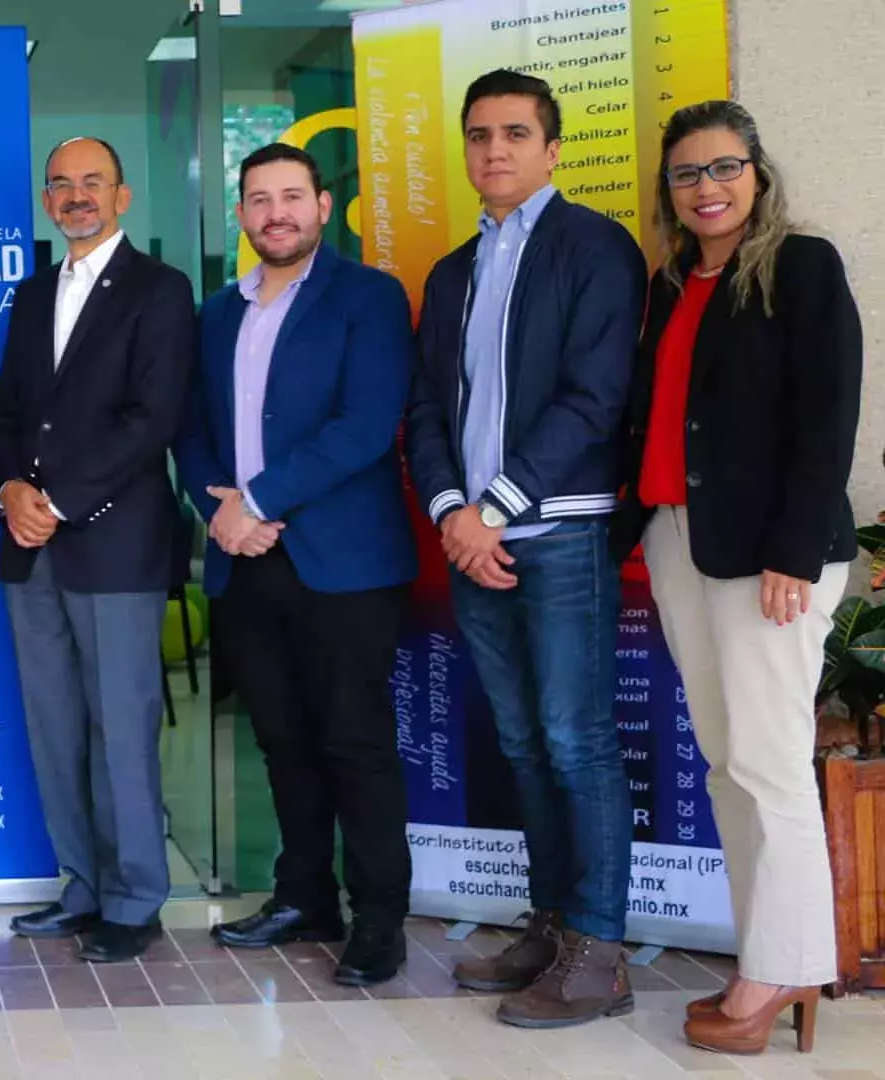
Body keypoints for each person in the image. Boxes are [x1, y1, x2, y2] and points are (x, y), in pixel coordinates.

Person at [610, 100, 859, 1056]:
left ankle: (787, 967)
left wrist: (795, 551)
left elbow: (827, 416)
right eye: (686, 174)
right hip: (680, 541)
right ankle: (770, 950)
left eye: (723, 168)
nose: (706, 187)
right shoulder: (673, 282)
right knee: (727, 763)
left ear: (756, 172)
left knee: (769, 763)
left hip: (770, 557)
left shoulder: (802, 266)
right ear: (669, 191)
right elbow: (654, 420)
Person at [404, 69, 647, 1028]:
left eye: (513, 133)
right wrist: (452, 512)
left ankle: (600, 953)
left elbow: (595, 397)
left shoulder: (596, 247)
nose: (493, 150)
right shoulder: (453, 271)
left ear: (551, 149)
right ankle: (552, 926)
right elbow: (426, 410)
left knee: (577, 740)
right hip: (475, 540)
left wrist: (492, 511)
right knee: (520, 740)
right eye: (478, 135)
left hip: (561, 534)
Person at [175, 144, 419, 986]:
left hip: (343, 560)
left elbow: (366, 423)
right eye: (257, 199)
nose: (275, 212)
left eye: (291, 196)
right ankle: (303, 894)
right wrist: (219, 514)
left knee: (355, 741)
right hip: (246, 561)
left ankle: (379, 919)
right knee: (282, 742)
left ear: (322, 206)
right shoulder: (215, 313)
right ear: (241, 214)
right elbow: (192, 429)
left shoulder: (369, 298)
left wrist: (261, 500)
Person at [0, 136, 196, 963]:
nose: (77, 196)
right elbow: (5, 413)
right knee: (54, 725)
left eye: (93, 183)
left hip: (113, 545)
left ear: (123, 195)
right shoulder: (32, 295)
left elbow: (154, 418)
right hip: (27, 547)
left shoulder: (161, 290)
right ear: (47, 201)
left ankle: (135, 895)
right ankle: (81, 885)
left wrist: (60, 503)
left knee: (121, 725)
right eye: (62, 185)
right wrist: (11, 494)